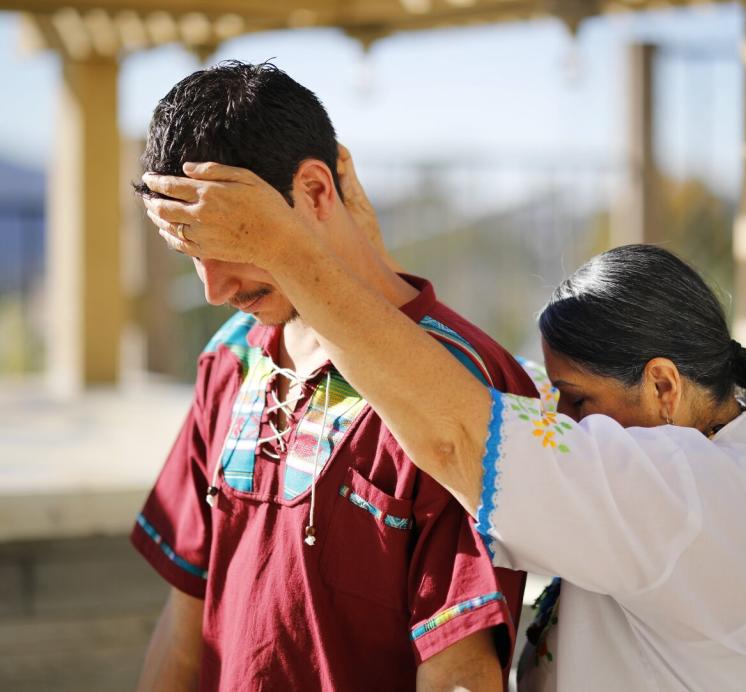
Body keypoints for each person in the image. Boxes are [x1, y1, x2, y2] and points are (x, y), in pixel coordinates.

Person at [141, 154, 746, 692]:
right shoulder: (721, 443)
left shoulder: (684, 495)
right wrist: (364, 267)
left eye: (575, 400)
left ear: (661, 385)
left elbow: (459, 434)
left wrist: (289, 253)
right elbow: (496, 412)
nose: (557, 417)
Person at [130, 61, 537, 692]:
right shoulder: (232, 357)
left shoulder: (463, 386)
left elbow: (460, 670)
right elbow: (188, 618)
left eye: (232, 239)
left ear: (318, 191)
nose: (213, 291)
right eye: (190, 255)